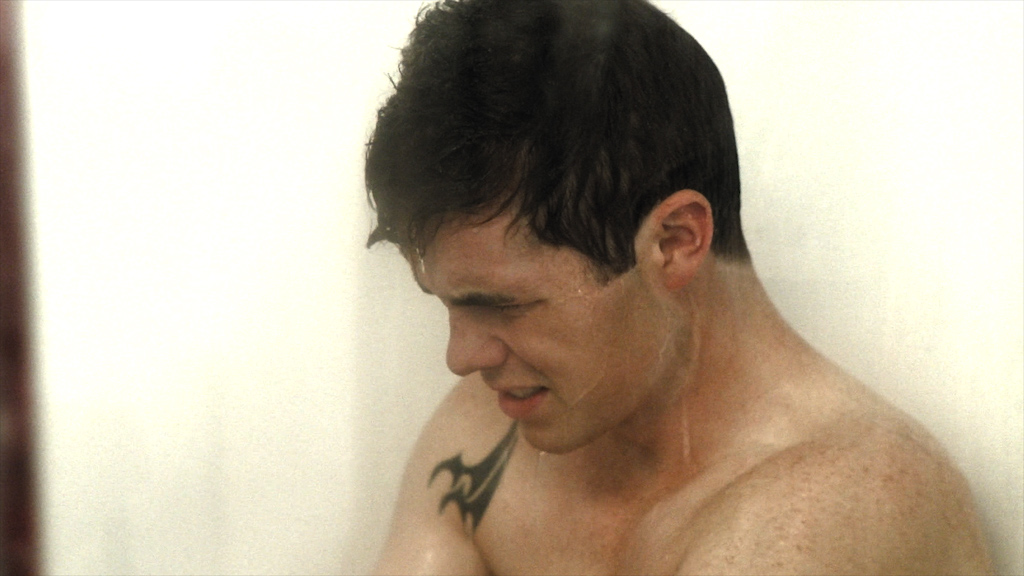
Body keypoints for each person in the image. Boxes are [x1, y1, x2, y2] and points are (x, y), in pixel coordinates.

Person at [364, 0, 993, 573]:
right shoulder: (497, 427)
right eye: (448, 303)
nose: (460, 358)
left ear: (674, 243)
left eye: (504, 306)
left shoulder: (821, 515)